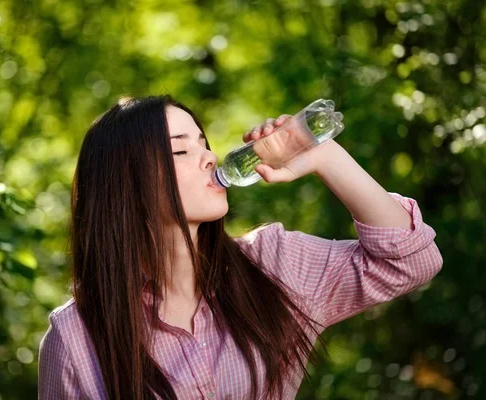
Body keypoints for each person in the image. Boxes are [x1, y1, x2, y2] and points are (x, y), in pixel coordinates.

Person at [38, 95, 443, 400]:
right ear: (124, 185)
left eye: (203, 142)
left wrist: (323, 155)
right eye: (181, 149)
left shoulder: (272, 265)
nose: (209, 157)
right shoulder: (76, 338)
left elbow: (412, 262)